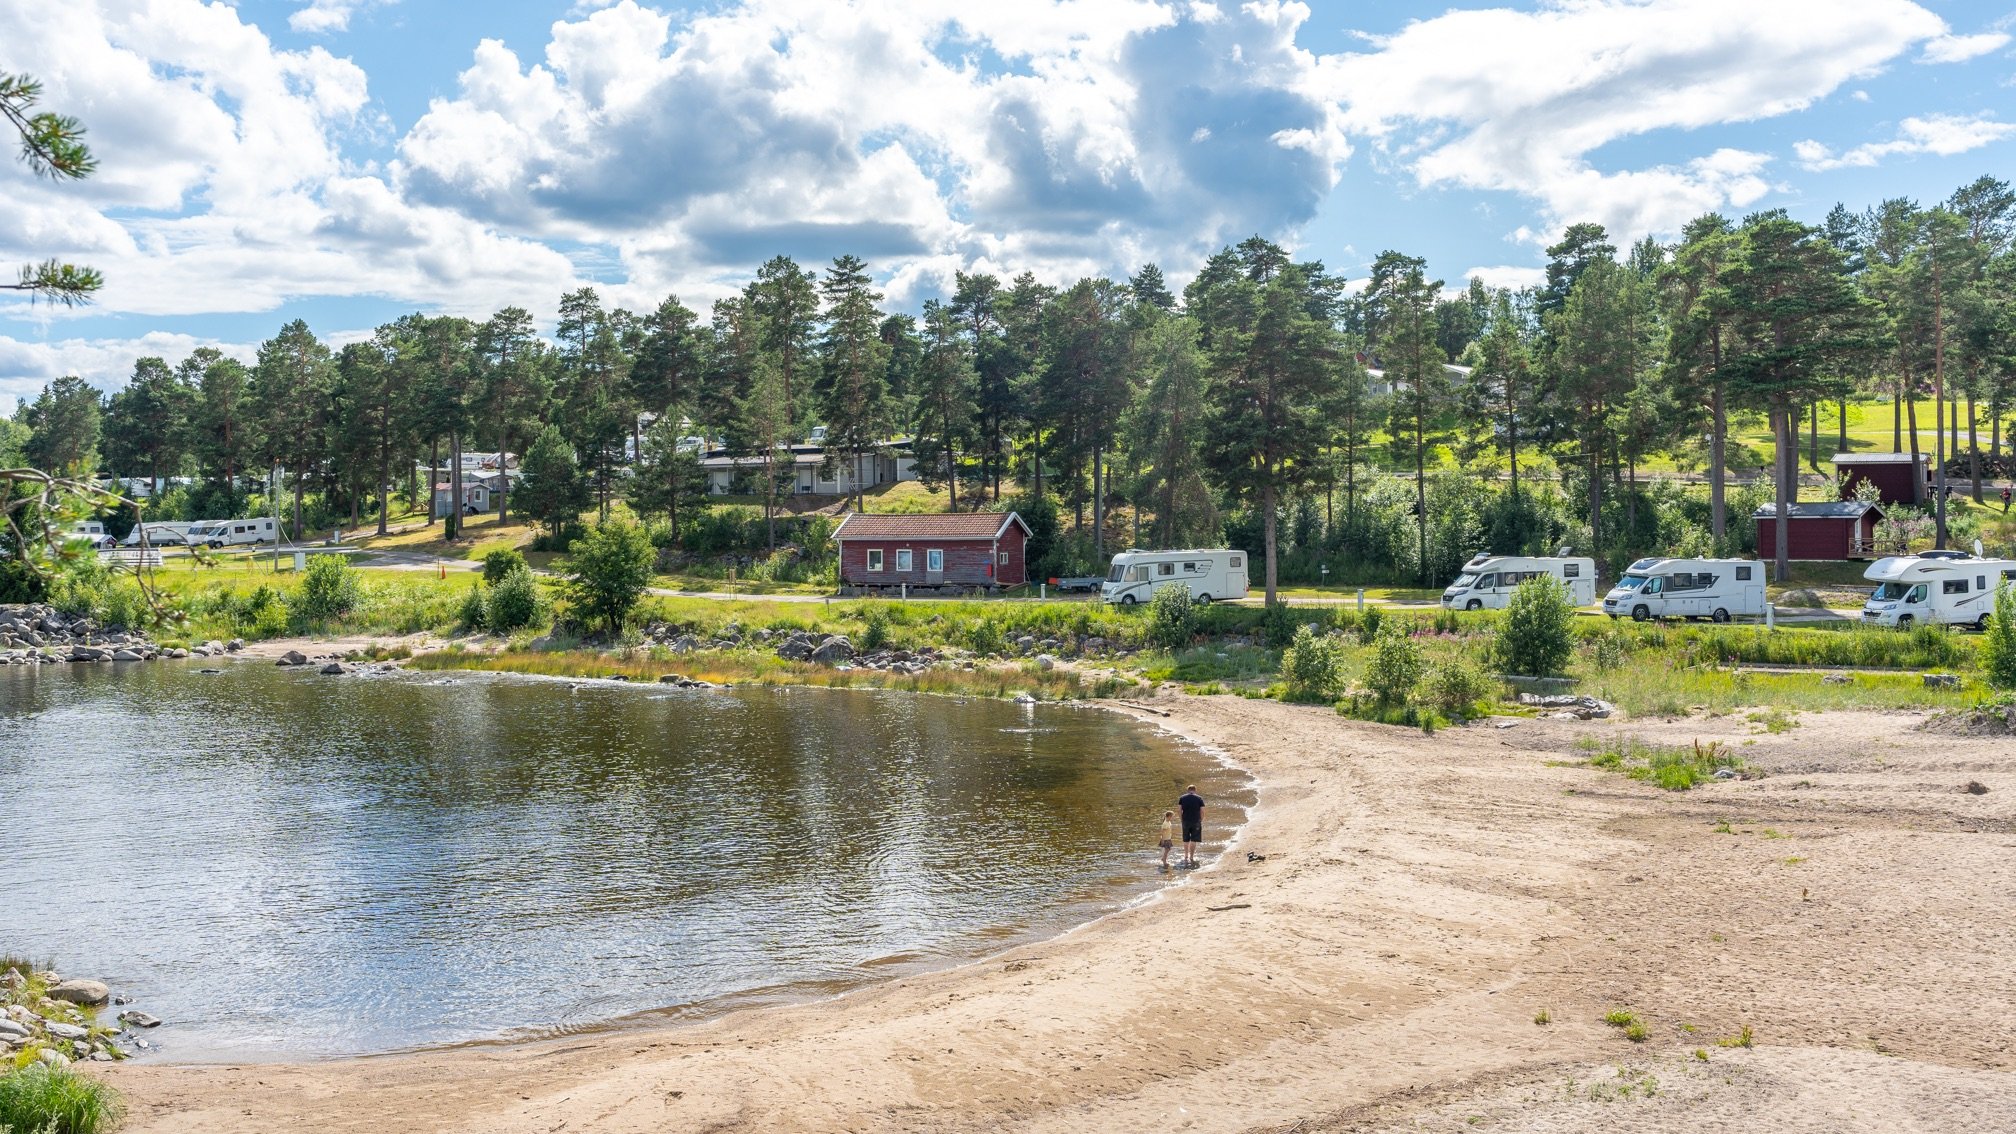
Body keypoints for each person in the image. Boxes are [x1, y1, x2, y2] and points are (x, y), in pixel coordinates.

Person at [1177, 785, 1205, 869]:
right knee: (1193, 839)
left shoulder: (1182, 798)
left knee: (1186, 839)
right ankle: (1191, 857)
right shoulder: (1199, 798)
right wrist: (1201, 819)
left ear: (1188, 790)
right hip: (1196, 821)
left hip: (1185, 820)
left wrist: (1181, 819)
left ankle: (1185, 855)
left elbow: (1179, 810)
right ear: (1195, 790)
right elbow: (1202, 811)